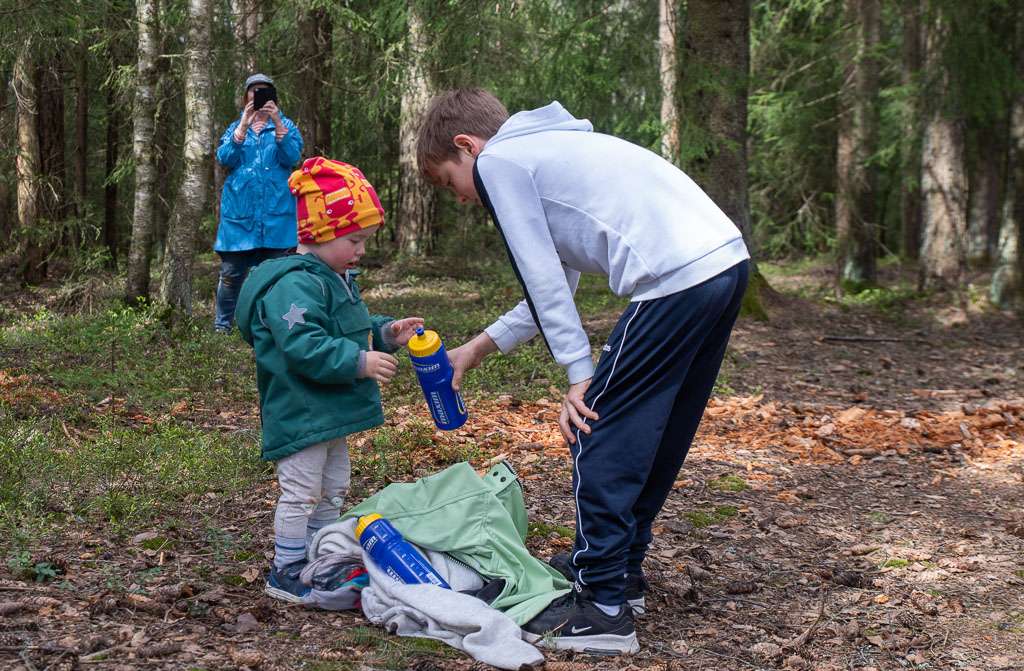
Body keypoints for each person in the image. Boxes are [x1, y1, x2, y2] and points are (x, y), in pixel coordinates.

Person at [415, 88, 749, 655]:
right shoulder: (551, 151)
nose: (465, 200)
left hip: (673, 279)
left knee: (594, 430)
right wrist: (472, 350)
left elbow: (544, 282)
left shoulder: (500, 163)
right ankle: (620, 574)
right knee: (652, 435)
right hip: (723, 263)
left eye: (451, 182)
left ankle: (602, 607)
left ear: (467, 147)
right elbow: (554, 286)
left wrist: (579, 374)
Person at [234, 157, 424, 603]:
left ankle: (320, 555)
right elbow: (304, 345)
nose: (361, 249)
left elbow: (344, 327)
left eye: (364, 240)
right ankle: (287, 567)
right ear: (318, 233)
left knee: (334, 484)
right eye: (354, 239)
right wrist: (360, 362)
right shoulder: (294, 285)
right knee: (300, 491)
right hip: (301, 410)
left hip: (328, 411)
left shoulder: (333, 276)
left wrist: (385, 333)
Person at [214, 73, 304, 334]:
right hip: (239, 218)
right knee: (231, 275)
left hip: (278, 218)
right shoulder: (235, 128)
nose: (258, 95)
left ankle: (269, 327)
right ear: (246, 97)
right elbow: (225, 158)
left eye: (264, 91)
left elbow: (292, 156)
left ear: (273, 97)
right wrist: (242, 126)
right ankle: (222, 327)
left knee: (276, 278)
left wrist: (277, 123)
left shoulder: (285, 125)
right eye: (253, 91)